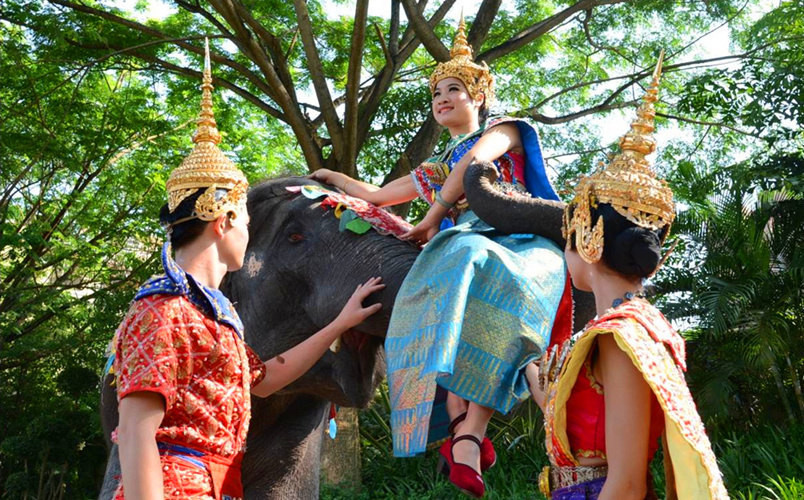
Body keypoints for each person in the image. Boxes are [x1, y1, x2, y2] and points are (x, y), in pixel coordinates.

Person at [111, 41, 384, 499]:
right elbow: (137, 431)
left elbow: (269, 377)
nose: (249, 237)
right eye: (250, 225)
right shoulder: (161, 312)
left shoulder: (217, 319)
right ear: (226, 222)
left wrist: (342, 322)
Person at [311, 17, 571, 498]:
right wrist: (332, 178)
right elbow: (380, 194)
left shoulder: (506, 131)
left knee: (480, 261)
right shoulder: (435, 166)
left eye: (454, 89)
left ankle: (489, 420)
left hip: (518, 238)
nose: (443, 99)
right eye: (436, 94)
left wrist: (432, 217)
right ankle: (464, 432)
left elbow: (473, 167)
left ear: (478, 97)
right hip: (468, 245)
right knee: (462, 264)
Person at [526, 54, 728, 499]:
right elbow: (584, 429)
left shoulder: (621, 337)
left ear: (589, 240)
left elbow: (628, 483)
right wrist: (528, 368)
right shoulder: (631, 326)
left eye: (568, 237)